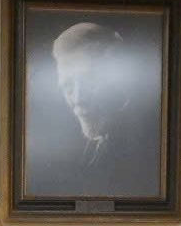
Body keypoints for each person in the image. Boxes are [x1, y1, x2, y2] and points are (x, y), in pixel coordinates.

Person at [28, 21, 161, 198]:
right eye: (68, 85)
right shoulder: (80, 151)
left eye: (89, 82)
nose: (78, 99)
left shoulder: (148, 150)